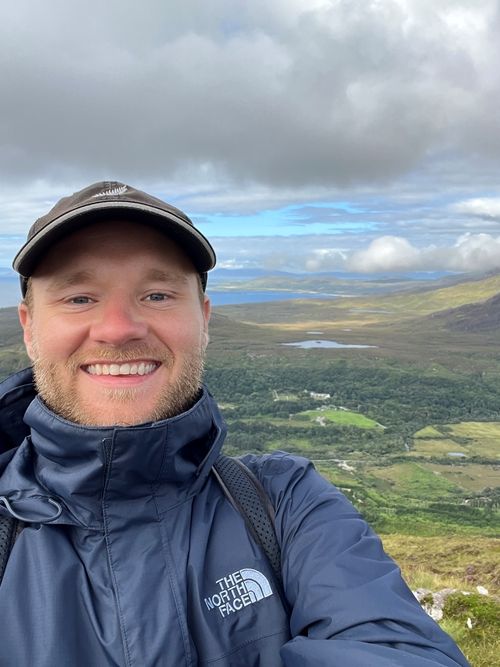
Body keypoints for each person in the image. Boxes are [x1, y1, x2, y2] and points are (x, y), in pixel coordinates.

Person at [0, 181, 469, 666]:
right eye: (79, 298)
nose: (119, 329)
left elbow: (396, 649)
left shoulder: (285, 502)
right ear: (29, 328)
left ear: (204, 320)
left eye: (157, 294)